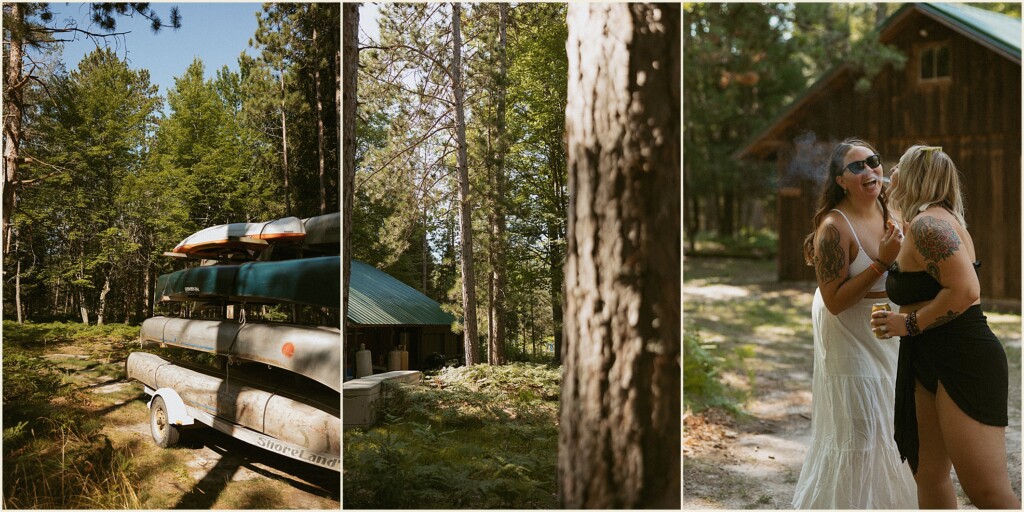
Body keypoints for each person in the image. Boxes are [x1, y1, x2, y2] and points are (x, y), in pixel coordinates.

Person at [871, 145, 1020, 509]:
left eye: (898, 169)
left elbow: (967, 290)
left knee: (986, 490)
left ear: (915, 176)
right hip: (927, 355)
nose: (891, 175)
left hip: (962, 357)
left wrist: (906, 323)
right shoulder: (920, 223)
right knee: (930, 475)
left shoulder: (930, 225)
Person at [792, 139, 916, 509]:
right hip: (847, 333)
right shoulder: (834, 228)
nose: (869, 171)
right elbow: (833, 301)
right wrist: (880, 262)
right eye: (856, 167)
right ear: (840, 181)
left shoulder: (891, 210)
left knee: (893, 427)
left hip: (886, 329)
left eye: (873, 162)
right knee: (861, 429)